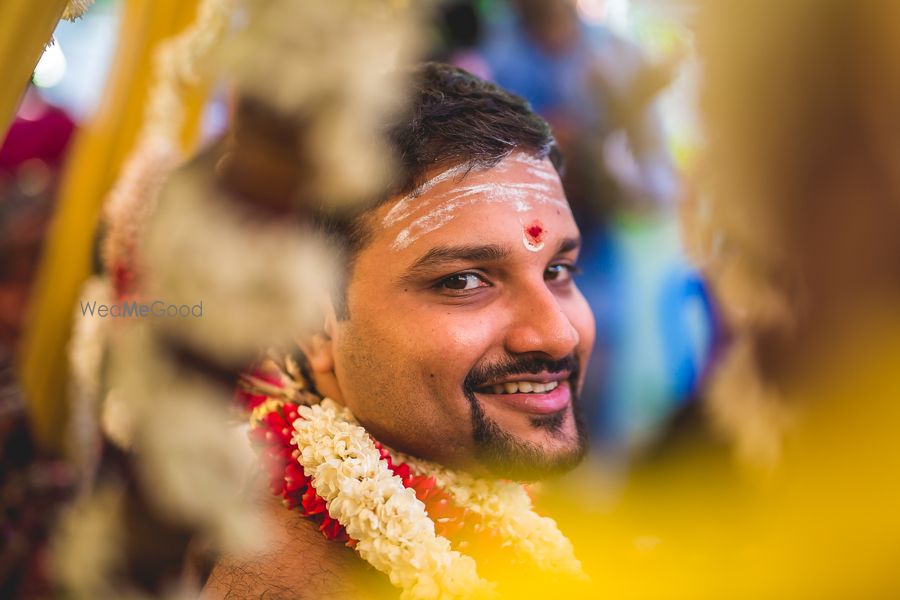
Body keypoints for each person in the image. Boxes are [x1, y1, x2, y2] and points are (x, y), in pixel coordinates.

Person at [202, 63, 596, 598]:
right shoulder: (285, 580)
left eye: (558, 271)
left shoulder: (469, 475)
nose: (558, 334)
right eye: (463, 280)